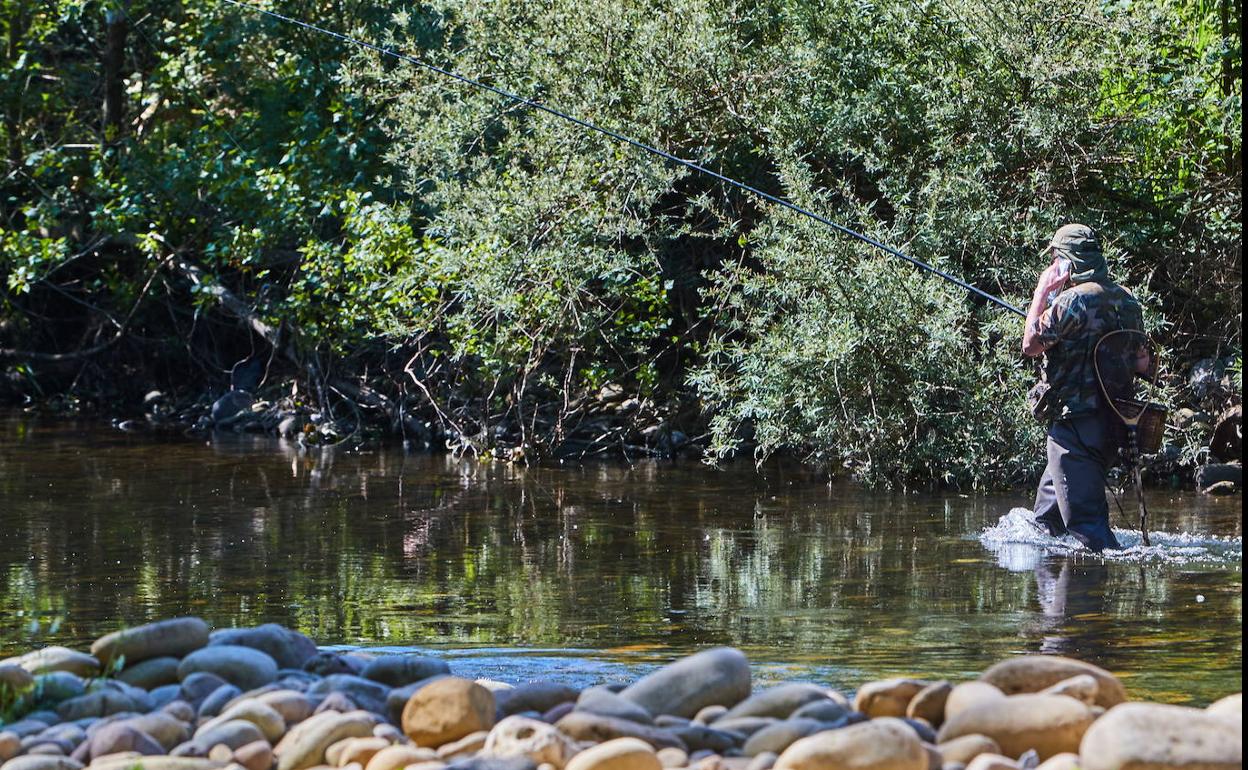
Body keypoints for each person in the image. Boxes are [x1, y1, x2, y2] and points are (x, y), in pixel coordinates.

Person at [1021, 224, 1145, 552]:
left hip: (1074, 428)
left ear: (1066, 262)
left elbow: (1031, 344)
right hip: (1110, 426)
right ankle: (1055, 589)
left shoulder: (1072, 300)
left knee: (1089, 533)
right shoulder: (1128, 301)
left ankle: (1086, 596)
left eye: (1054, 260)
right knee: (1046, 526)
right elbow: (1142, 362)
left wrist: (1041, 292)